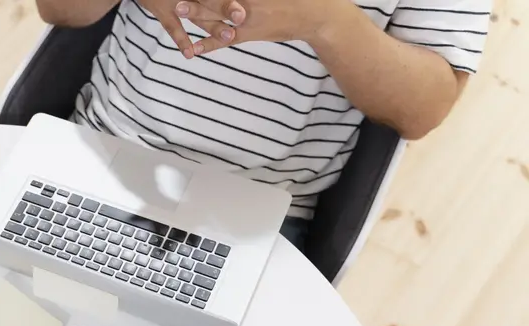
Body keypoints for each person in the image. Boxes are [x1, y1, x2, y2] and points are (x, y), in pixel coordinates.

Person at [35, 0, 490, 250]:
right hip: (99, 150)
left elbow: (423, 109)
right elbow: (59, 8)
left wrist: (325, 20)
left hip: (260, 211)